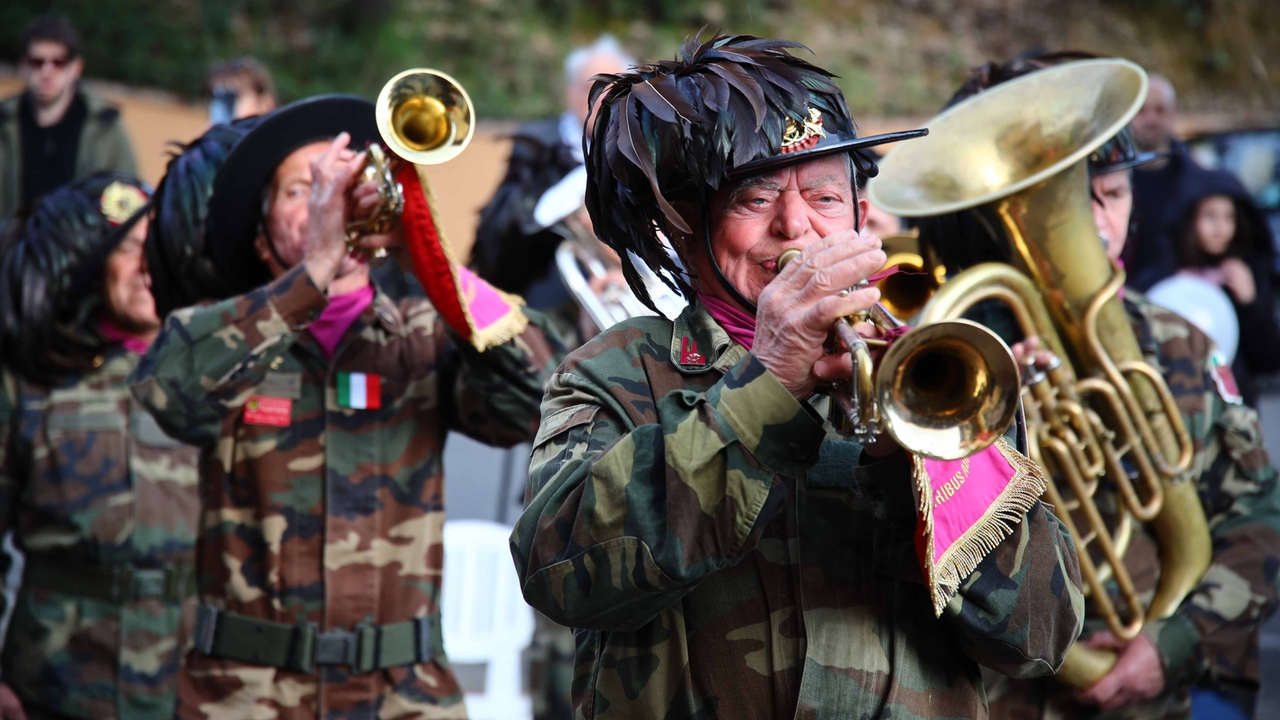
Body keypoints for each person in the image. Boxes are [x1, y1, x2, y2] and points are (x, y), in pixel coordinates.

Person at [511, 34, 1085, 718]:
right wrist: (767, 385)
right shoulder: (610, 372)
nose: (796, 227)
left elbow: (1043, 634)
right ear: (691, 230)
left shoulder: (946, 381)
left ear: (862, 221)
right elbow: (560, 576)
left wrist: (917, 473)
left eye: (823, 197)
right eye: (755, 199)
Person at [129, 95, 566, 718]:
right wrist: (315, 269)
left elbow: (540, 403)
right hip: (245, 694)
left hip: (402, 694)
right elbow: (168, 395)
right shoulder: (227, 333)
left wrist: (429, 258)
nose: (334, 202)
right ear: (260, 238)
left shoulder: (425, 330)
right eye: (306, 191)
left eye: (346, 183)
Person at [909, 53, 1280, 720]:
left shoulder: (1176, 344)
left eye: (1113, 194)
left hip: (1157, 693)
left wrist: (1174, 643)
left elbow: (1259, 516)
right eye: (1073, 199)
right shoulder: (933, 367)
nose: (1099, 223)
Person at [0, 174, 200, 720]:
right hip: (57, 684)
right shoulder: (34, 376)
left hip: (191, 686)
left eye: (156, 248)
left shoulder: (211, 371)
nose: (146, 268)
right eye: (128, 250)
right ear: (91, 263)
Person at [471, 35, 636, 347]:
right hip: (548, 302)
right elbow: (497, 234)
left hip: (623, 303)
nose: (602, 101)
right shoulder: (537, 146)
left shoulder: (639, 148)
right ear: (570, 93)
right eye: (592, 90)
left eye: (614, 90)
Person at [0, 16, 138, 218]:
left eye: (58, 62)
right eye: (37, 62)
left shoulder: (106, 128)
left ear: (76, 68)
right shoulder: (4, 123)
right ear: (23, 65)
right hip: (12, 247)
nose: (47, 72)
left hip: (84, 248)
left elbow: (130, 201)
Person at [1169, 168, 1280, 409]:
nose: (1220, 228)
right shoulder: (1167, 274)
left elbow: (1268, 357)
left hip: (1236, 406)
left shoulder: (1247, 271)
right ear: (1190, 218)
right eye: (1210, 216)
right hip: (1182, 404)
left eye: (1229, 217)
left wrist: (1249, 301)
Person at [1126, 73, 1201, 292]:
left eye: (1160, 110)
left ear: (1174, 114)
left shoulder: (1199, 181)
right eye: (1141, 110)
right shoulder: (1107, 184)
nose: (1151, 119)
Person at [204, 57, 277, 126]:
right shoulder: (232, 98)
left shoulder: (265, 99)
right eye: (239, 76)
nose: (242, 80)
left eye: (245, 75)